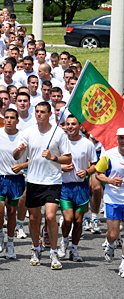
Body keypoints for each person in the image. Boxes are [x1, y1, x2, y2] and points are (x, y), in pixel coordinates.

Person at [13, 102, 72, 270]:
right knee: (33, 218)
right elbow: (17, 156)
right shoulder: (28, 132)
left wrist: (53, 158)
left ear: (49, 113)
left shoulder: (59, 133)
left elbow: (68, 158)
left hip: (52, 181)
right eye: (37, 112)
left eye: (42, 112)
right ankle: (36, 248)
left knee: (51, 216)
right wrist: (19, 150)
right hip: (33, 181)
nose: (39, 115)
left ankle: (53, 252)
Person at [0, 108, 27, 259]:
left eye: (12, 118)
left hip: (15, 179)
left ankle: (10, 244)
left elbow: (33, 158)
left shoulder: (23, 137)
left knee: (11, 213)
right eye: (6, 117)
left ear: (17, 121)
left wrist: (22, 166)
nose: (9, 120)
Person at [58, 115, 97, 262]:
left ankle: (74, 249)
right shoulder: (60, 143)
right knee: (68, 219)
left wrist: (87, 172)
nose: (70, 126)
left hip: (81, 187)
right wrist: (61, 167)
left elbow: (95, 165)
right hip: (64, 187)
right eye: (67, 124)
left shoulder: (87, 144)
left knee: (79, 221)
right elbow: (51, 161)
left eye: (73, 124)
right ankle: (64, 242)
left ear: (80, 126)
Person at [95, 128, 124, 277]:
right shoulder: (109, 155)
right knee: (113, 234)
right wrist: (111, 180)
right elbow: (98, 174)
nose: (123, 141)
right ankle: (110, 244)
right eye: (121, 138)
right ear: (117, 139)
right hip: (113, 199)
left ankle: (123, 263)